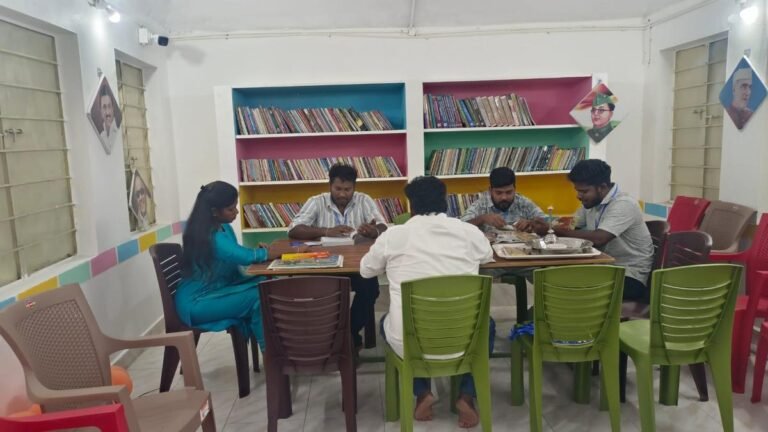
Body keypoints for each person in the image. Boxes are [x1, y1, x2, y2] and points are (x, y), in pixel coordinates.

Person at [360, 176, 494, 429]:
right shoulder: (468, 232)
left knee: (385, 324)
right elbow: (487, 256)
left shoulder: (394, 235)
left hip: (411, 343)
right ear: (445, 202)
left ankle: (422, 393)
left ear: (411, 206)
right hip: (463, 341)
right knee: (488, 326)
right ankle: (466, 396)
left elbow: (366, 271)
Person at [288, 163, 388, 350]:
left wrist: (374, 230)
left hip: (357, 265)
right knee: (321, 295)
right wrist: (326, 230)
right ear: (330, 186)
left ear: (354, 188)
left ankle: (347, 334)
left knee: (370, 289)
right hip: (324, 267)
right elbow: (294, 230)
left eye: (348, 189)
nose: (343, 194)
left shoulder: (364, 200)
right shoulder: (316, 201)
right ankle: (339, 336)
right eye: (338, 189)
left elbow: (383, 226)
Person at [176, 181, 279, 351]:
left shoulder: (223, 228)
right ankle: (271, 354)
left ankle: (275, 347)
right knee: (260, 296)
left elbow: (236, 253)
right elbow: (243, 256)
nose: (237, 212)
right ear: (214, 211)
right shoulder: (210, 236)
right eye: (231, 209)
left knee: (268, 284)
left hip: (214, 292)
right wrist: (268, 253)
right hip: (197, 302)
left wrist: (260, 253)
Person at [549, 159, 654, 302]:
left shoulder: (624, 204)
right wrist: (547, 226)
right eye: (577, 190)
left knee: (565, 286)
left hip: (629, 275)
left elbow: (599, 238)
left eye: (584, 191)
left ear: (602, 187)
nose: (578, 196)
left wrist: (555, 231)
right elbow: (571, 226)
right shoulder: (592, 202)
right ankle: (539, 321)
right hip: (604, 268)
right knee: (553, 279)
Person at [461, 166, 548, 233]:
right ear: (490, 191)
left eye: (509, 192)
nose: (504, 197)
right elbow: (461, 226)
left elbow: (548, 223)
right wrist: (482, 218)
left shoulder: (523, 203)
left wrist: (531, 223)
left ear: (515, 189)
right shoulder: (481, 204)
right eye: (499, 193)